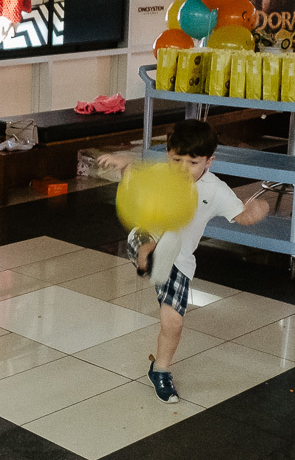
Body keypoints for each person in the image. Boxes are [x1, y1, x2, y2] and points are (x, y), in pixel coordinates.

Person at [97, 120, 269, 403]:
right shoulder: (160, 174)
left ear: (208, 162)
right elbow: (136, 183)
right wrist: (124, 164)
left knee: (173, 322)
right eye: (176, 159)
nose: (182, 168)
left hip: (179, 263)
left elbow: (241, 215)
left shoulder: (215, 190)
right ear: (168, 154)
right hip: (144, 238)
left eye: (192, 162)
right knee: (146, 240)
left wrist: (256, 208)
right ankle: (148, 260)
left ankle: (160, 369)